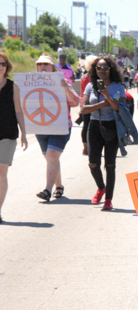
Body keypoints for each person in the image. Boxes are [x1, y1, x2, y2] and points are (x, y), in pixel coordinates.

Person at [80, 55, 127, 211]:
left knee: (110, 164)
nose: (102, 70)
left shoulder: (118, 87)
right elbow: (83, 109)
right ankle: (101, 187)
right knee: (93, 163)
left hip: (112, 126)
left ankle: (108, 199)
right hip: (94, 126)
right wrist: (102, 103)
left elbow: (120, 108)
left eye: (105, 68)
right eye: (98, 68)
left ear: (110, 69)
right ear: (95, 70)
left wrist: (107, 95)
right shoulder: (90, 87)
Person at [34, 54, 80, 202]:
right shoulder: (31, 82)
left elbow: (75, 102)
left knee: (52, 155)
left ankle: (47, 190)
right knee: (50, 158)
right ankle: (58, 185)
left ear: (52, 67)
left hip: (60, 126)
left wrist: (65, 88)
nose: (42, 67)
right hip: (41, 126)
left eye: (46, 64)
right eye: (39, 64)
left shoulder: (63, 81)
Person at [0, 52, 28, 223]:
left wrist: (24, 133)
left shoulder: (13, 87)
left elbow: (18, 111)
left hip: (7, 134)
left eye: (3, 64)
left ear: (7, 67)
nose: (0, 67)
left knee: (1, 171)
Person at [80, 55, 97, 155]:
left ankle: (85, 148)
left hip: (84, 104)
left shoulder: (83, 78)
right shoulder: (94, 78)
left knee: (85, 126)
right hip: (93, 103)